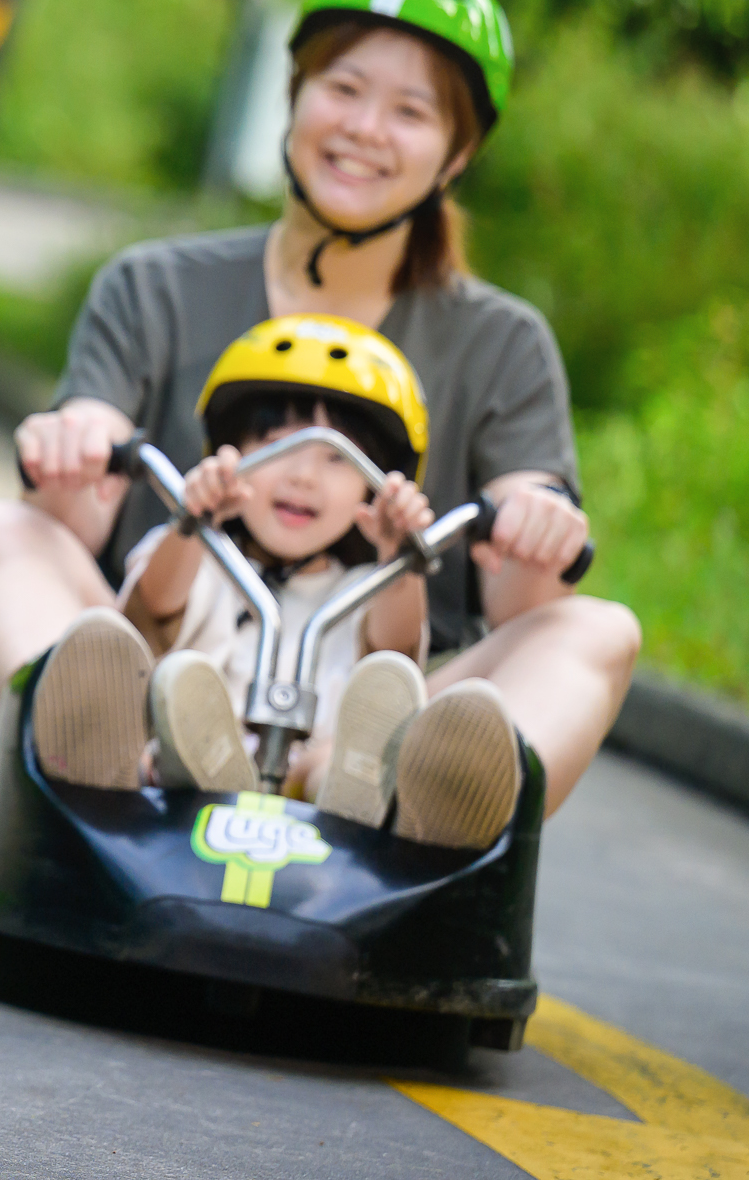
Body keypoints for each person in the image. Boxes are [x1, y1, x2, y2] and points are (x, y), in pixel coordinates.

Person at [0, 0, 638, 826]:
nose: (363, 129)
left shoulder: (500, 342)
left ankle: (411, 801)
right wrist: (72, 441)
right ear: (296, 94)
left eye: (410, 111)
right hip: (161, 675)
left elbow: (520, 595)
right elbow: (77, 518)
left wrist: (539, 521)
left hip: (372, 717)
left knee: (597, 631)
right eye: (343, 89)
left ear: (458, 153)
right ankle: (104, 758)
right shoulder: (154, 287)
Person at [38, 314, 530, 848]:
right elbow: (152, 610)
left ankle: (361, 790)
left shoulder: (368, 585)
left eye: (338, 460)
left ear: (376, 484)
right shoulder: (196, 554)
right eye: (279, 447)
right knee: (130, 668)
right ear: (231, 454)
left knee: (358, 731)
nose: (303, 476)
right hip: (172, 780)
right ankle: (177, 769)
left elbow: (396, 648)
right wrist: (192, 521)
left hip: (311, 796)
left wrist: (400, 557)